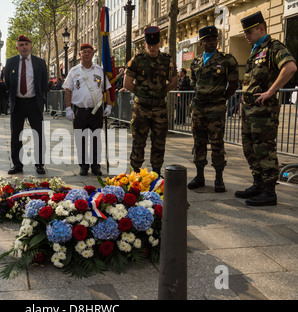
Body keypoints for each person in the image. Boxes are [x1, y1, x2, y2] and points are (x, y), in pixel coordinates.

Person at [235, 11, 297, 206]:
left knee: (264, 150)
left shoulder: (273, 47)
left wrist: (270, 91)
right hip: (249, 111)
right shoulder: (255, 50)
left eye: (249, 32)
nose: (246, 36)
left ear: (261, 28)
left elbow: (290, 67)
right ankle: (258, 184)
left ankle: (269, 191)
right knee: (250, 149)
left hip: (264, 113)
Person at [187, 26, 239, 193]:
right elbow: (194, 83)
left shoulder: (226, 60)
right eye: (208, 40)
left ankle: (219, 178)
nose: (212, 43)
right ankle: (200, 176)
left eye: (214, 39)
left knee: (217, 143)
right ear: (201, 42)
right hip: (198, 108)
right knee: (199, 142)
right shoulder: (195, 62)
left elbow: (233, 84)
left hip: (216, 108)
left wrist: (222, 99)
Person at [123, 26, 178, 176]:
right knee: (138, 142)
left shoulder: (167, 60)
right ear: (145, 44)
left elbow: (174, 80)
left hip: (160, 108)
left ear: (160, 43)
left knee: (159, 142)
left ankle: (156, 172)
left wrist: (160, 92)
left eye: (154, 44)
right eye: (149, 44)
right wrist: (141, 94)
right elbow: (127, 83)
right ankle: (135, 173)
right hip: (141, 108)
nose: (152, 47)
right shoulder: (137, 60)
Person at [63, 43, 112, 176]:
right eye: (84, 52)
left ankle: (96, 166)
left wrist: (109, 105)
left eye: (89, 52)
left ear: (93, 54)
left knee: (96, 139)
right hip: (80, 110)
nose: (86, 54)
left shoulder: (100, 71)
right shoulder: (74, 71)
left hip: (96, 110)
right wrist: (68, 108)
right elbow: (68, 90)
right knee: (81, 139)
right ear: (79, 55)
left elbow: (107, 88)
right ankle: (83, 166)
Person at [5, 35, 48, 175]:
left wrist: (40, 99)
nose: (24, 47)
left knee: (38, 135)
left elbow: (44, 83)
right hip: (17, 103)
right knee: (16, 135)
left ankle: (39, 164)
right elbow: (8, 83)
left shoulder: (40, 62)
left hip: (34, 103)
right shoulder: (10, 62)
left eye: (26, 44)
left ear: (30, 46)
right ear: (17, 47)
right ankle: (17, 164)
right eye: (21, 44)